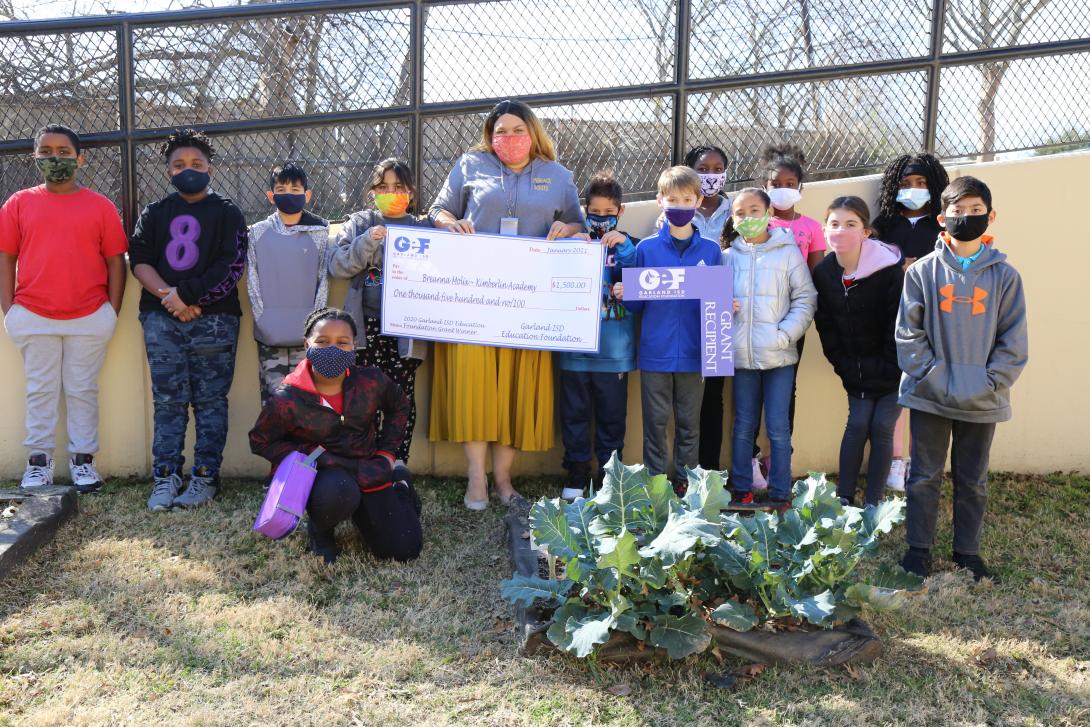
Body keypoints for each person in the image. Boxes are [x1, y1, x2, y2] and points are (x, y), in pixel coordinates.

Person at [427, 99, 585, 510]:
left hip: (530, 306)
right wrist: (450, 222)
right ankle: (476, 479)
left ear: (533, 132)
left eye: (517, 130)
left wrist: (564, 227)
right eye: (500, 131)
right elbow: (439, 210)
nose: (509, 138)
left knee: (518, 390)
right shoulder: (469, 165)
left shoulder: (558, 175)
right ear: (489, 135)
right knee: (475, 389)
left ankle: (503, 479)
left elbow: (579, 226)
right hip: (474, 298)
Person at [897, 176, 1027, 582]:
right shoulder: (921, 273)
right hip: (929, 395)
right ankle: (918, 550)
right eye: (958, 211)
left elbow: (1013, 342)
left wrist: (988, 383)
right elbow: (908, 335)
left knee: (973, 480)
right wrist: (936, 377)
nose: (966, 218)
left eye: (975, 211)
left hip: (983, 399)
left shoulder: (1006, 277)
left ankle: (967, 553)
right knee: (923, 476)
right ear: (941, 218)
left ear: (990, 216)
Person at [0, 124, 127, 493]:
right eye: (46, 151)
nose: (55, 158)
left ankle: (83, 462)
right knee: (39, 390)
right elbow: (6, 258)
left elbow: (116, 262)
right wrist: (11, 311)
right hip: (33, 315)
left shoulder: (100, 206)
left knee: (82, 389)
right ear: (35, 156)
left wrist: (110, 312)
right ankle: (38, 463)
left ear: (80, 158)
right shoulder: (18, 203)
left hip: (90, 316)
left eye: (63, 151)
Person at [129, 128, 248, 512]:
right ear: (168, 171)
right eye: (179, 164)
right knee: (168, 401)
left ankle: (205, 478)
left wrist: (188, 296)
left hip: (215, 322)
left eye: (196, 164)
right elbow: (140, 260)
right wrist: (170, 296)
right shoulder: (155, 213)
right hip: (161, 319)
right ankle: (166, 477)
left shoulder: (228, 213)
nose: (188, 170)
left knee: (211, 401)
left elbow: (230, 266)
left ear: (210, 168)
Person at [249, 308, 421, 564]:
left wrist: (387, 453)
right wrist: (306, 454)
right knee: (339, 491)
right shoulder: (289, 398)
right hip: (328, 477)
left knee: (403, 550)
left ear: (354, 346)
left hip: (370, 471)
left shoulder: (371, 381)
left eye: (342, 343)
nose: (332, 349)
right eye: (322, 341)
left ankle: (400, 485)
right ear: (307, 344)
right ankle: (321, 531)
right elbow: (260, 440)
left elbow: (400, 407)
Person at [616, 166, 721, 488]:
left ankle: (687, 485)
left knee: (690, 425)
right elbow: (636, 306)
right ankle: (656, 485)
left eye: (687, 199)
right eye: (672, 199)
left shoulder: (711, 250)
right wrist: (625, 293)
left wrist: (724, 304)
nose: (679, 205)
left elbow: (714, 303)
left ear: (698, 200)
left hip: (694, 354)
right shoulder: (646, 249)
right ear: (660, 200)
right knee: (655, 424)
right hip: (655, 354)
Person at [328, 158, 431, 465]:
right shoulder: (360, 223)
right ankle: (364, 458)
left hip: (405, 329)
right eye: (383, 186)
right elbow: (339, 265)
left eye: (399, 187)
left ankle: (395, 461)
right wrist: (368, 241)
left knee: (400, 397)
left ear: (411, 193)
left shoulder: (422, 227)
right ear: (372, 191)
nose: (391, 192)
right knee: (362, 395)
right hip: (365, 326)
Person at [722, 188, 816, 507]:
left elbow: (806, 298)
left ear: (767, 214)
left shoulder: (787, 252)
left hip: (779, 357)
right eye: (740, 213)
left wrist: (784, 335)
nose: (747, 218)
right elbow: (710, 305)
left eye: (753, 210)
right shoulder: (726, 257)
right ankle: (741, 490)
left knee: (778, 426)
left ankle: (779, 493)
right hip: (741, 357)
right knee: (743, 425)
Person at [812, 197, 904, 506]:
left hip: (894, 369)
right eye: (835, 224)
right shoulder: (824, 273)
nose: (842, 231)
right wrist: (845, 366)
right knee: (858, 423)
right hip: (856, 370)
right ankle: (844, 498)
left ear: (865, 231)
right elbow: (825, 325)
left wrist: (890, 367)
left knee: (881, 426)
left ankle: (874, 502)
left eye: (851, 224)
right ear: (825, 230)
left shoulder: (889, 269)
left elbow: (899, 322)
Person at [556, 171, 637, 500]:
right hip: (573, 349)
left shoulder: (631, 245)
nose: (601, 218)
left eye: (609, 212)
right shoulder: (574, 243)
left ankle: (608, 476)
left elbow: (641, 283)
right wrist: (568, 248)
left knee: (612, 417)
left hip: (614, 350)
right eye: (594, 211)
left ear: (620, 211)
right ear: (584, 208)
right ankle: (576, 472)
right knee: (573, 413)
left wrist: (626, 250)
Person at [872, 153, 951, 492]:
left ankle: (921, 463)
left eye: (921, 184)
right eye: (906, 184)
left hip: (933, 319)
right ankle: (894, 461)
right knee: (895, 394)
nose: (914, 190)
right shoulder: (885, 225)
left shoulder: (942, 226)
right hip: (890, 317)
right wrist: (896, 264)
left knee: (926, 391)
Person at [246, 162, 331, 406]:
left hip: (307, 336)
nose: (289, 194)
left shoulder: (320, 231)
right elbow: (252, 278)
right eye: (281, 189)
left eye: (296, 190)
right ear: (271, 196)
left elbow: (322, 279)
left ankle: (303, 447)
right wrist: (263, 321)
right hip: (269, 335)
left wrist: (315, 325)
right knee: (274, 402)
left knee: (307, 401)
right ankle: (275, 446)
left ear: (307, 195)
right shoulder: (257, 232)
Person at [683, 144, 737, 472]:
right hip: (686, 319)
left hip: (722, 319)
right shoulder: (677, 210)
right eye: (704, 169)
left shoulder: (737, 210)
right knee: (687, 400)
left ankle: (710, 471)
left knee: (713, 400)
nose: (712, 175)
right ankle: (686, 471)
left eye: (718, 169)